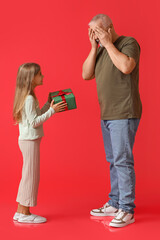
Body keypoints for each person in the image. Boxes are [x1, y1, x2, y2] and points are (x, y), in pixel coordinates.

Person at [82, 14, 142, 228]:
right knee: (113, 160)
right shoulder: (99, 50)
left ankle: (127, 209)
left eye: (97, 31)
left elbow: (126, 67)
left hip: (124, 112)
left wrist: (107, 44)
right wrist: (94, 47)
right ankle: (115, 202)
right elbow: (86, 74)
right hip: (107, 114)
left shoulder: (128, 43)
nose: (94, 35)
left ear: (109, 28)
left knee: (122, 160)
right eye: (91, 32)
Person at [12, 63, 67, 224]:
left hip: (29, 140)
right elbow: (35, 122)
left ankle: (21, 211)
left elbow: (34, 116)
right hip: (30, 141)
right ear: (31, 78)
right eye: (40, 74)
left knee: (28, 175)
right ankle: (24, 213)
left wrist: (47, 106)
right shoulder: (28, 98)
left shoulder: (29, 97)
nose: (42, 76)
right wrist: (52, 111)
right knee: (30, 177)